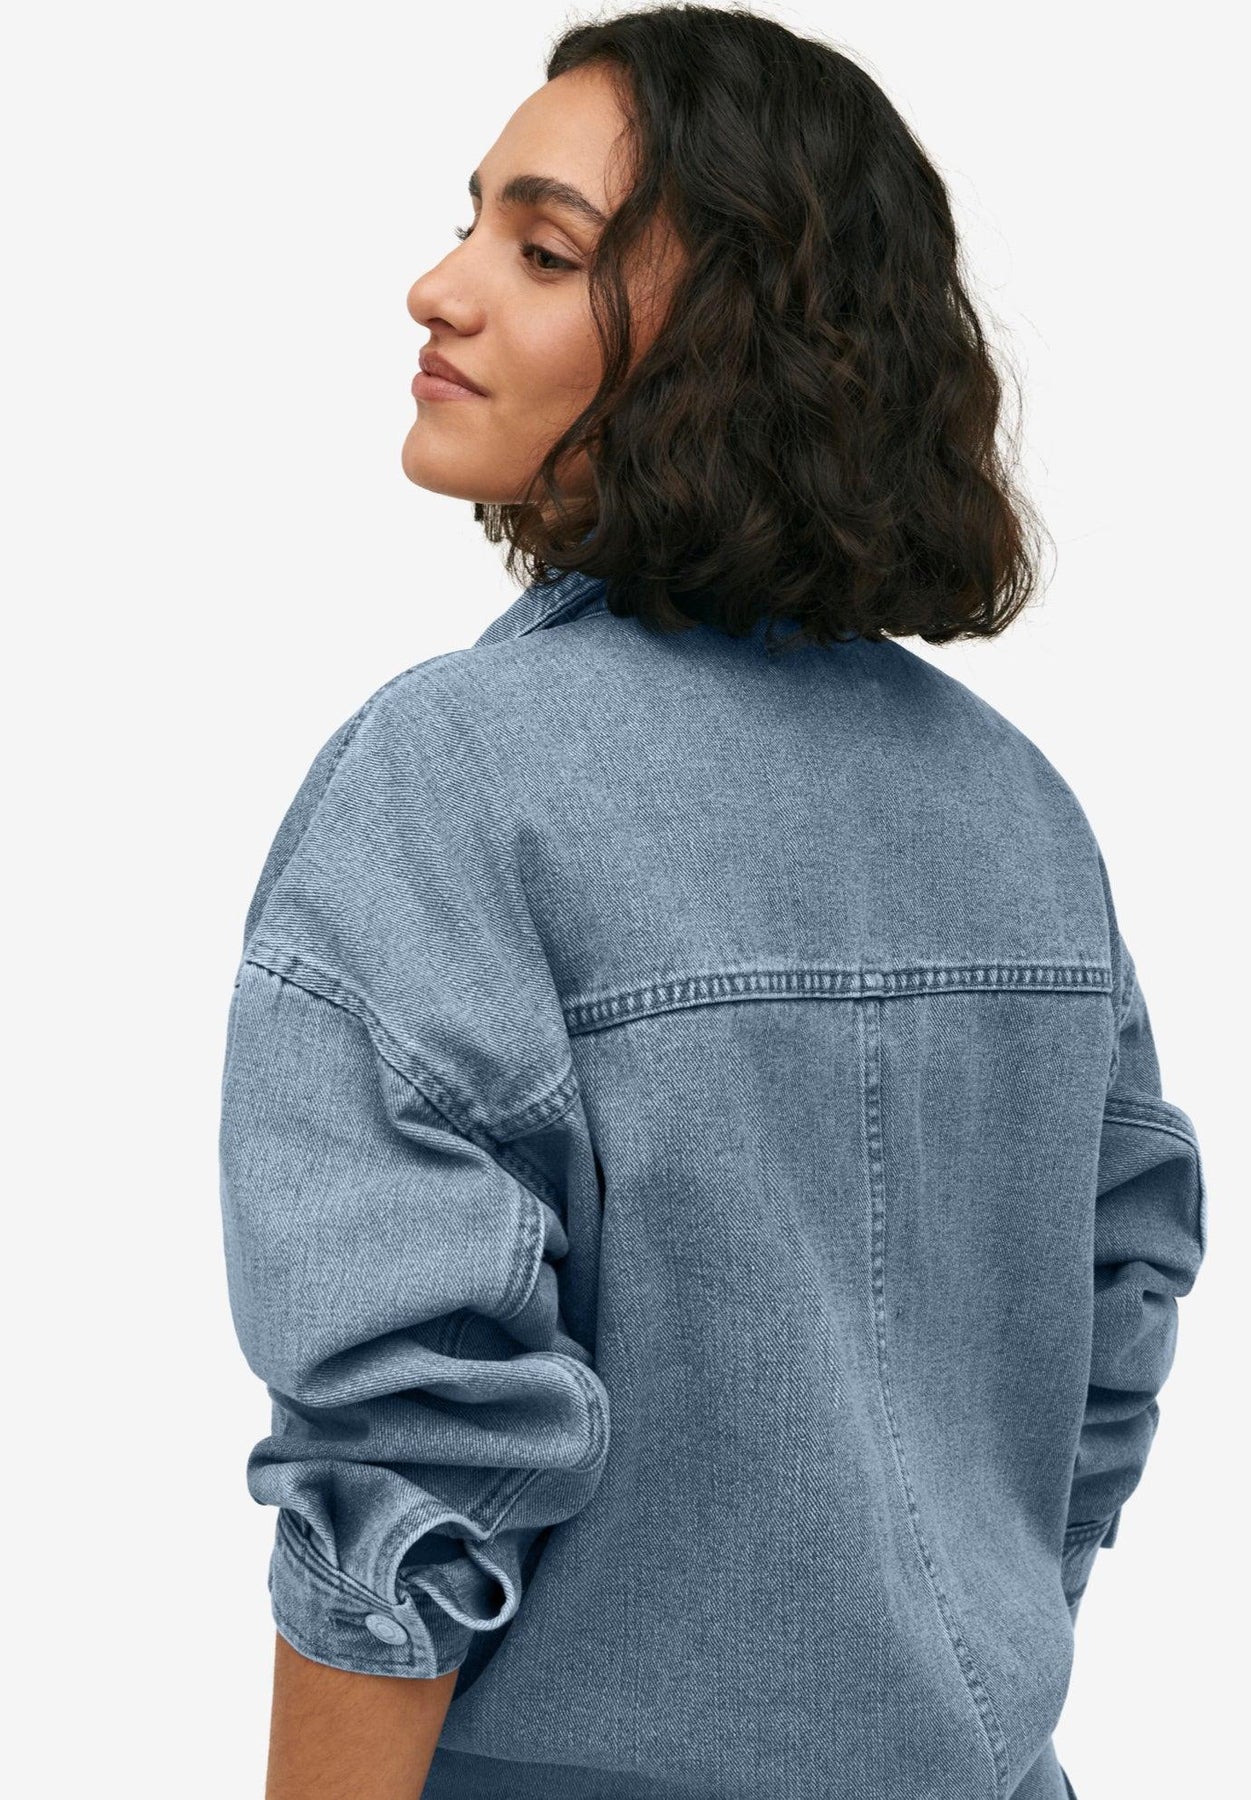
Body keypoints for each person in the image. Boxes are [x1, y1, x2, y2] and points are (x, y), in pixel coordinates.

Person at [217, 7, 1208, 1798]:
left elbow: (408, 1447)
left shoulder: (453, 775)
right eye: (469, 226)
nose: (438, 290)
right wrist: (927, 1657)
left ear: (732, 336)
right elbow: (1111, 1325)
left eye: (544, 253)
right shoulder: (1019, 808)